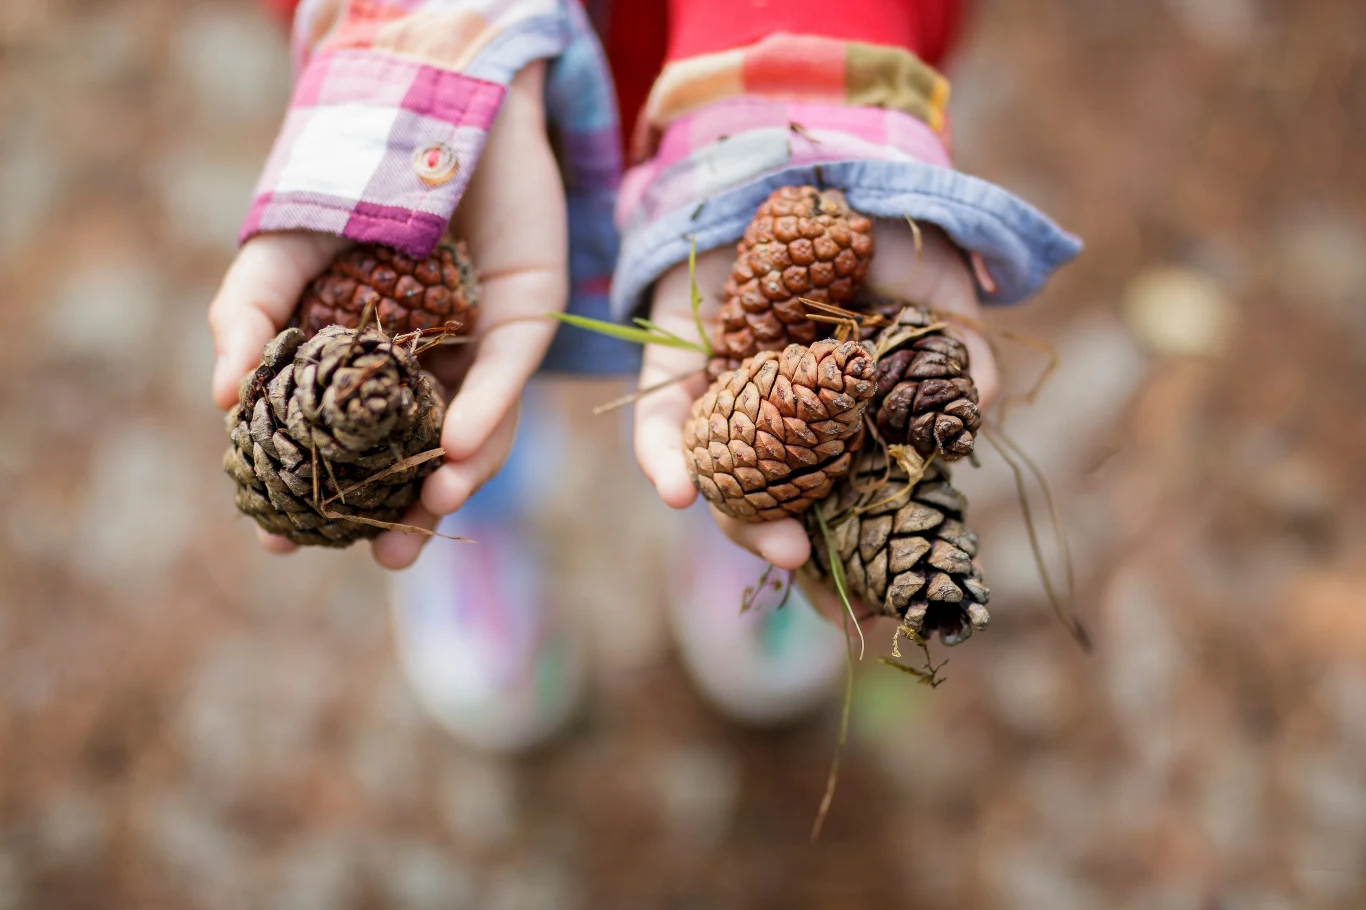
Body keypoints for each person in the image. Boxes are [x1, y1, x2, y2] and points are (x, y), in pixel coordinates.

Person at [209, 0, 1079, 751]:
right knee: (469, 373)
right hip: (505, 65)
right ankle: (476, 519)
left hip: (714, 66)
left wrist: (804, 91)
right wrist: (433, 58)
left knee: (698, 377)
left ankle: (739, 504)